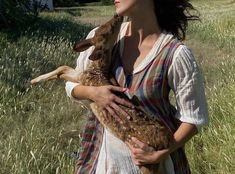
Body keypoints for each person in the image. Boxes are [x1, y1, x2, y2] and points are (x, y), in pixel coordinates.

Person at [65, 0, 209, 173]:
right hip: (106, 161)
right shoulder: (104, 37)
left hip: (155, 166)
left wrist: (160, 154)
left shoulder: (174, 54)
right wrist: (93, 93)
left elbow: (193, 118)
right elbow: (72, 83)